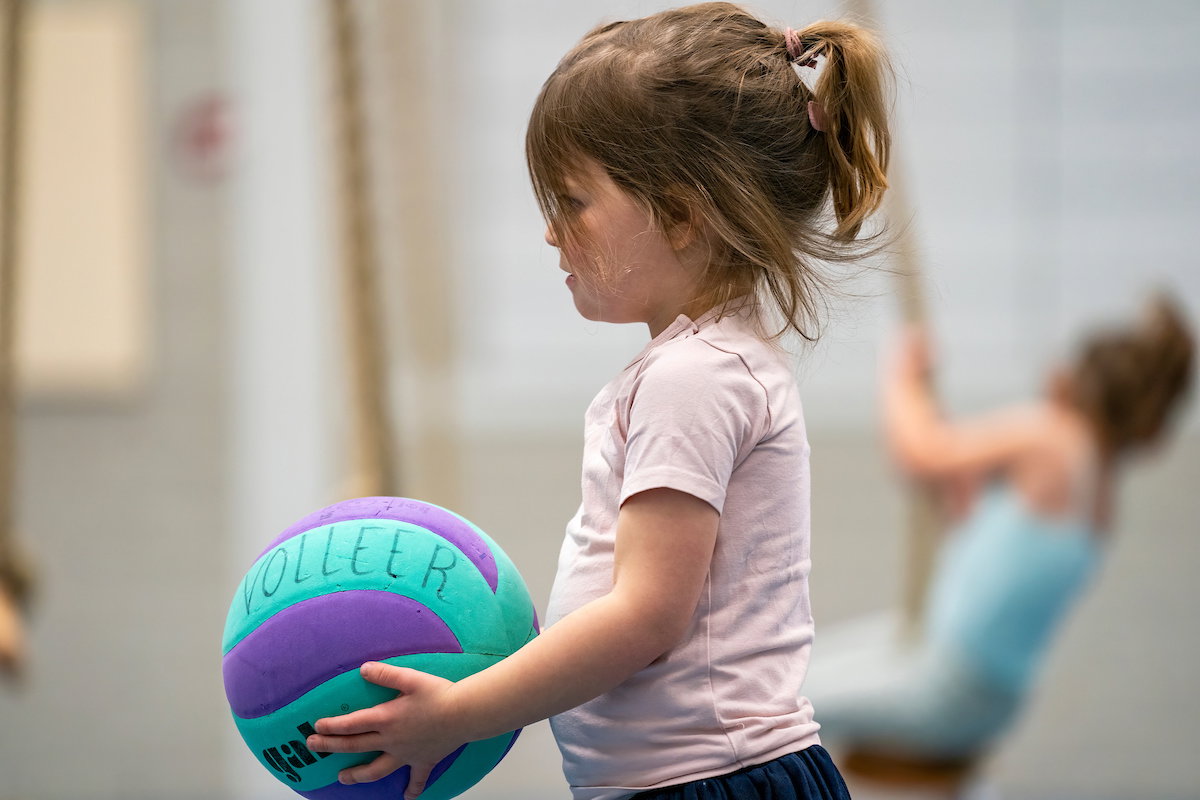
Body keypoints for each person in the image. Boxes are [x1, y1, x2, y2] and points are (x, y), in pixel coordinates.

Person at [305, 5, 892, 798]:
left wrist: (460, 713)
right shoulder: (708, 365)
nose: (553, 234)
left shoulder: (694, 378)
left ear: (683, 214)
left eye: (574, 200)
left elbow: (646, 618)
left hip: (715, 783)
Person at [804, 294, 1195, 763]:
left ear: (1079, 380)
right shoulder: (1102, 493)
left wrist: (899, 370)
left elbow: (918, 455)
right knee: (793, 678)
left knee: (779, 708)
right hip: (985, 694)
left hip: (947, 683)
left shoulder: (1054, 437)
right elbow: (976, 531)